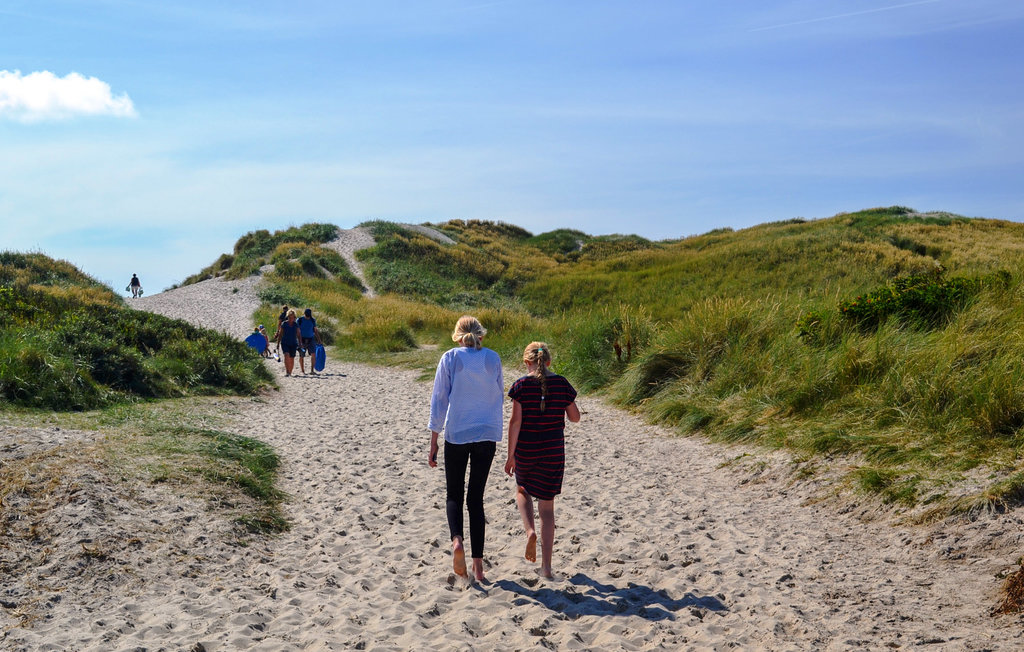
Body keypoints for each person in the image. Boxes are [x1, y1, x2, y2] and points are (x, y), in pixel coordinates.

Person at [428, 316, 504, 581]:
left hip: (458, 431)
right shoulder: (493, 358)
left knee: (454, 495)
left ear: (458, 336)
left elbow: (439, 399)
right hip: (486, 433)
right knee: (476, 499)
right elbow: (498, 397)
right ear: (480, 335)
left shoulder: (450, 357)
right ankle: (478, 568)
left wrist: (434, 440)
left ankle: (457, 541)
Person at [504, 341, 580, 580]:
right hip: (553, 451)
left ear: (527, 362)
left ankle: (529, 531)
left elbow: (515, 422)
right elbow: (575, 417)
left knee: (522, 490)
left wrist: (510, 455)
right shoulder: (562, 383)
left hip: (527, 449)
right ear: (548, 361)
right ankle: (546, 567)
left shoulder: (520, 386)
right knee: (547, 508)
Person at [274, 309, 301, 376]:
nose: (291, 319)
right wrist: (278, 343)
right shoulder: (284, 324)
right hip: (285, 342)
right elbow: (280, 334)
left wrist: (300, 343)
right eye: (289, 317)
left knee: (292, 358)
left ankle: (290, 372)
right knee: (286, 355)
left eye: (292, 317)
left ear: (294, 317)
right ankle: (287, 372)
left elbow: (298, 334)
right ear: (288, 317)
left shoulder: (296, 325)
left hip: (293, 343)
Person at [297, 308, 323, 375]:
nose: (308, 316)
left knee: (313, 354)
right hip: (302, 339)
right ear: (304, 314)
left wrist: (319, 340)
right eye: (307, 315)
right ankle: (302, 370)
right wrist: (299, 341)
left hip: (311, 339)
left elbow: (315, 330)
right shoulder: (300, 320)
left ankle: (312, 370)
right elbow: (297, 331)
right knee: (302, 355)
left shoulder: (312, 320)